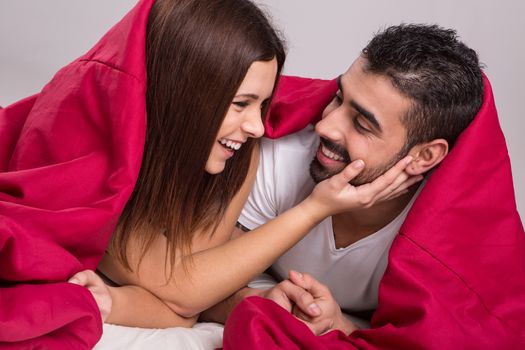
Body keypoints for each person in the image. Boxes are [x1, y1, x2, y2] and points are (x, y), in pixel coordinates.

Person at [0, 1, 415, 348]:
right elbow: (182, 288)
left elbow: (185, 306)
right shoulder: (100, 158)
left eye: (263, 105)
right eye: (240, 104)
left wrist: (112, 302)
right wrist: (314, 209)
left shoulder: (235, 157)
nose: (257, 127)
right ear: (182, 97)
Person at [204, 24, 525, 349]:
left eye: (361, 124)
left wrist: (339, 325)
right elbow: (199, 282)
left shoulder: (439, 235)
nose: (325, 126)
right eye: (339, 98)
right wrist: (255, 301)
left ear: (424, 156)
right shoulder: (282, 156)